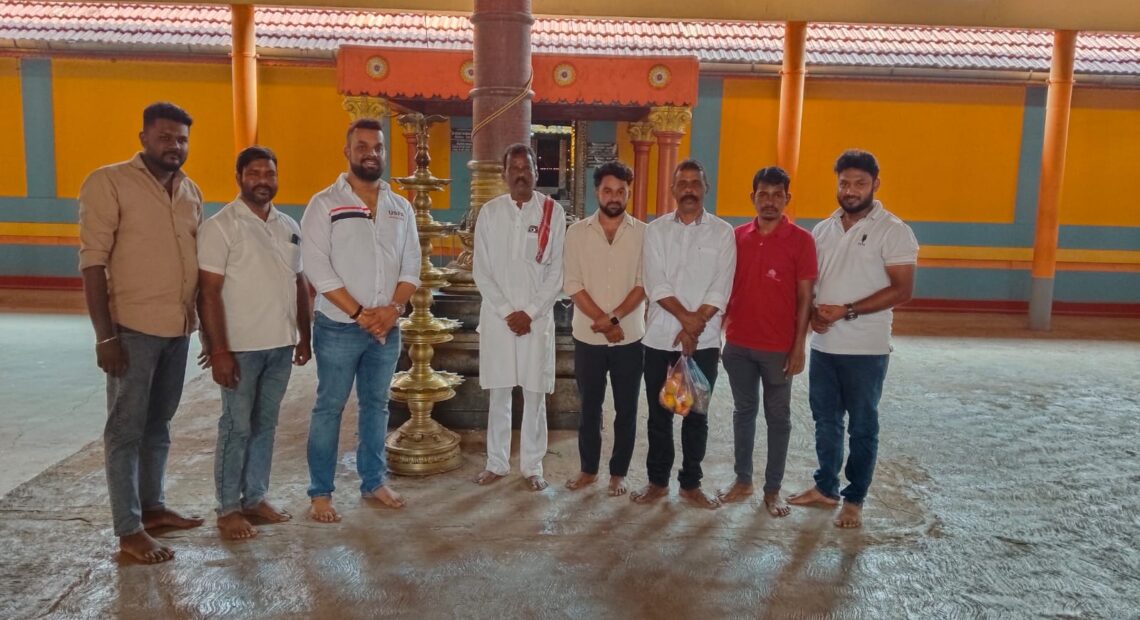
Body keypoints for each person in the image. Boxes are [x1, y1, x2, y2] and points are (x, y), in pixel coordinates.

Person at [78, 102, 205, 563]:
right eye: (166, 137)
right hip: (131, 330)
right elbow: (93, 263)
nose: (175, 146)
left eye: (182, 139)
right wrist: (105, 336)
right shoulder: (108, 182)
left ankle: (153, 508)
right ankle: (129, 530)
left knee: (159, 424)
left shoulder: (190, 191)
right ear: (144, 138)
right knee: (125, 430)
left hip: (178, 329)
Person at [787, 149, 918, 528]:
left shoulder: (893, 230)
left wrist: (846, 310)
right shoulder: (823, 229)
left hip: (866, 349)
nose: (851, 190)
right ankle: (826, 487)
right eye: (844, 183)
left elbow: (903, 290)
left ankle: (854, 499)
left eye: (860, 183)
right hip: (825, 347)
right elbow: (813, 285)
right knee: (826, 421)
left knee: (862, 426)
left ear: (875, 184)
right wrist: (813, 316)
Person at [300, 118, 420, 522]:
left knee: (376, 406)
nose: (371, 153)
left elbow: (412, 265)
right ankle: (321, 492)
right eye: (363, 146)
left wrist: (393, 310)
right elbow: (316, 266)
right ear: (347, 151)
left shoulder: (399, 207)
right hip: (339, 327)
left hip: (386, 328)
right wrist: (359, 314)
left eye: (378, 147)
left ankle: (373, 481)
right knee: (329, 407)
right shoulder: (325, 203)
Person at [197, 146, 312, 540]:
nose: (263, 181)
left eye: (269, 174)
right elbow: (208, 292)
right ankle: (228, 508)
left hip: (280, 345)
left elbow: (298, 283)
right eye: (254, 174)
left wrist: (304, 336)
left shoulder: (288, 224)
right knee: (236, 427)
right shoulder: (221, 227)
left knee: (265, 425)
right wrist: (219, 350)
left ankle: (255, 497)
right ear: (239, 178)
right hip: (240, 348)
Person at [632, 159, 735, 509]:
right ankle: (657, 482)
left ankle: (691, 484)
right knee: (659, 415)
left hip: (703, 343)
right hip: (660, 339)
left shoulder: (723, 233)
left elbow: (721, 286)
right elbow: (655, 282)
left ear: (706, 188)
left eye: (695, 182)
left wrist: (695, 325)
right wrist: (686, 321)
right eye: (683, 183)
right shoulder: (655, 231)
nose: (689, 189)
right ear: (672, 190)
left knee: (696, 416)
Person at [717, 166, 817, 517]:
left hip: (778, 348)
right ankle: (743, 480)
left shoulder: (801, 241)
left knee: (778, 418)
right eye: (763, 194)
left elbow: (805, 298)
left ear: (787, 198)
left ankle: (772, 490)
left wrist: (798, 346)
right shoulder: (737, 237)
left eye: (777, 195)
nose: (770, 201)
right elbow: (723, 288)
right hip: (738, 344)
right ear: (753, 198)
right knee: (743, 412)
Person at [472, 143, 566, 491]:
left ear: (536, 173)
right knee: (499, 392)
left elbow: (557, 272)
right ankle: (496, 463)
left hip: (535, 322)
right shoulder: (489, 213)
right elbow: (481, 271)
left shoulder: (552, 213)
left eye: (526, 169)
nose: (520, 175)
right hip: (498, 320)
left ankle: (532, 466)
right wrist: (507, 312)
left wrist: (529, 313)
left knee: (534, 393)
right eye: (514, 169)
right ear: (504, 174)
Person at [563, 161, 646, 497]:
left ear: (628, 193)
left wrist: (613, 320)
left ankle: (618, 473)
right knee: (589, 407)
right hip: (588, 337)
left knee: (627, 408)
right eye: (608, 190)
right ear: (597, 192)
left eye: (621, 191)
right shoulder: (576, 233)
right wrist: (603, 320)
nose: (614, 197)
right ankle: (588, 469)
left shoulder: (643, 234)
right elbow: (573, 283)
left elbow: (643, 284)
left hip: (630, 337)